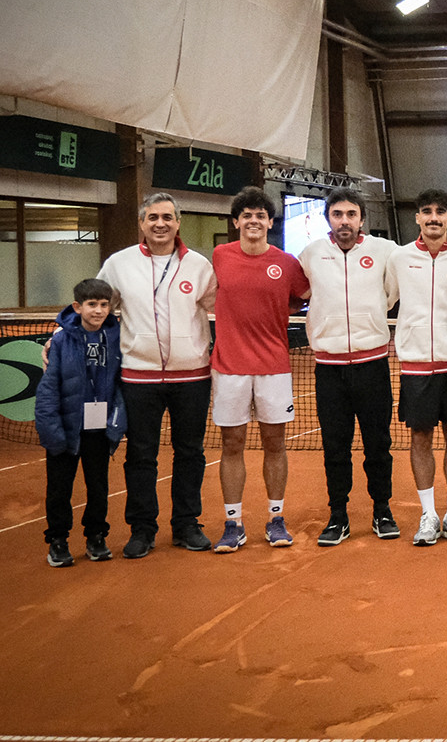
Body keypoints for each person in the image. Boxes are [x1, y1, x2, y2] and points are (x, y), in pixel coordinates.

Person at [97, 192, 216, 557]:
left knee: (190, 453)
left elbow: (224, 309)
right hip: (139, 378)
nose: (160, 224)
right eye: (152, 218)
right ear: (142, 223)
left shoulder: (199, 266)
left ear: (178, 222)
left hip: (192, 377)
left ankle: (186, 524)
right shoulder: (119, 264)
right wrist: (60, 335)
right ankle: (142, 529)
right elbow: (95, 304)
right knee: (141, 456)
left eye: (167, 217)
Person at [209, 187, 310, 553]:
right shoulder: (220, 256)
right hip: (229, 368)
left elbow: (304, 296)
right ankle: (233, 523)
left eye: (260, 215)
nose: (254, 220)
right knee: (232, 444)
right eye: (246, 215)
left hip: (274, 367)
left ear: (270, 222)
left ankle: (276, 518)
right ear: (236, 222)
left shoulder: (286, 262)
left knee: (275, 443)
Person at [300, 188, 400, 546]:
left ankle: (382, 510)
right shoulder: (311, 255)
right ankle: (338, 515)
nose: (345, 221)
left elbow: (392, 293)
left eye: (351, 214)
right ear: (329, 218)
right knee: (334, 446)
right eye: (338, 214)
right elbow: (300, 293)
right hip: (329, 370)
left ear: (362, 219)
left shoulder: (384, 252)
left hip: (373, 367)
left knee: (379, 444)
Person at [387, 188, 447, 546]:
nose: (434, 218)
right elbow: (385, 297)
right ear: (417, 218)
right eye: (427, 212)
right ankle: (428, 514)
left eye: (441, 211)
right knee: (420, 436)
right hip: (415, 366)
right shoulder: (399, 257)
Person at [36, 279, 125, 567]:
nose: (98, 311)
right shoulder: (60, 341)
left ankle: (96, 536)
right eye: (91, 305)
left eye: (103, 305)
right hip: (65, 429)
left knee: (98, 487)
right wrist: (52, 432)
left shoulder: (116, 338)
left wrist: (116, 423)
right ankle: (58, 540)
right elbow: (48, 390)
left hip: (99, 431)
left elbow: (121, 386)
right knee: (59, 489)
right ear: (78, 307)